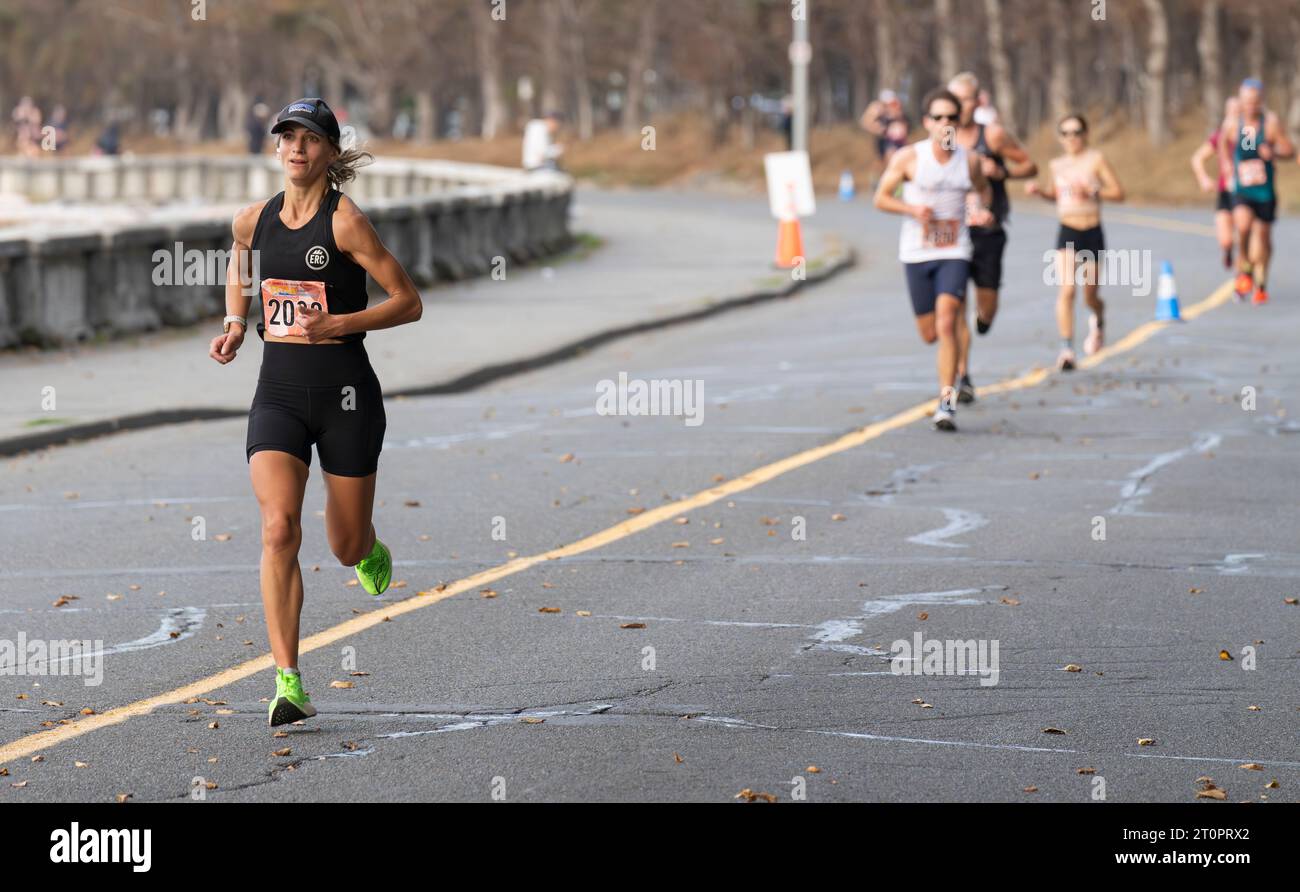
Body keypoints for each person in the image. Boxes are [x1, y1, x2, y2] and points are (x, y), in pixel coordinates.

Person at [208, 98, 423, 726]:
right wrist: (235, 322)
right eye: (287, 138)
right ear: (275, 149)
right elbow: (238, 262)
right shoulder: (253, 221)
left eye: (310, 139)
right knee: (278, 528)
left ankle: (367, 548)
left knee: (343, 544)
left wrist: (343, 323)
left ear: (330, 151)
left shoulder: (347, 223)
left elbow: (408, 302)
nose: (297, 149)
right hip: (277, 395)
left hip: (347, 398)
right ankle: (288, 682)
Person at [875, 88, 995, 432]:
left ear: (959, 123)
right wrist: (911, 208)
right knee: (930, 333)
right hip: (916, 252)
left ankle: (946, 402)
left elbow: (983, 189)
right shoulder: (909, 159)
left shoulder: (968, 160)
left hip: (954, 251)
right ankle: (952, 370)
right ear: (926, 123)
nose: (945, 123)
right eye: (938, 117)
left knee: (947, 322)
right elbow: (881, 198)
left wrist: (980, 210)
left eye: (951, 118)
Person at [946, 71, 1037, 404]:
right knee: (953, 305)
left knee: (986, 308)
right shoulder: (942, 138)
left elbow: (1030, 166)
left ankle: (983, 322)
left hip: (989, 231)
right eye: (953, 100)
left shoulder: (994, 136)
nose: (959, 107)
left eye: (965, 99)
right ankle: (962, 376)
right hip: (954, 232)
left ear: (978, 101)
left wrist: (1003, 173)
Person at [1025, 114, 1124, 371]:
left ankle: (1098, 319)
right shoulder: (1057, 165)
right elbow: (1054, 195)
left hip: (1091, 229)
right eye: (1066, 133)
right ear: (1060, 138)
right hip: (1068, 229)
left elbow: (1118, 193)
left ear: (1085, 133)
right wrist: (1039, 192)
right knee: (1067, 289)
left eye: (1077, 132)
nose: (1072, 138)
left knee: (1090, 294)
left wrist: (1093, 191)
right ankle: (1066, 348)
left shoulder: (1096, 160)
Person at [1219, 78, 1294, 304]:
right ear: (1241, 102)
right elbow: (1222, 142)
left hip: (1265, 192)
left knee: (1262, 237)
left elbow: (1289, 150)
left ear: (1261, 102)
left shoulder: (1269, 124)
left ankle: (1259, 281)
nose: (1250, 106)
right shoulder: (1236, 124)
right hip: (1243, 189)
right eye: (1246, 102)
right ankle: (1245, 270)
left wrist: (1273, 152)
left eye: (1254, 102)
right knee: (1242, 225)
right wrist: (1226, 164)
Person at [1191, 97, 1240, 270]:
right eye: (1232, 111)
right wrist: (1203, 179)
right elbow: (1197, 158)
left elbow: (1253, 156)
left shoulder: (1248, 134)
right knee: (1226, 240)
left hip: (1245, 193)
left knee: (1244, 235)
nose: (1235, 114)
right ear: (1226, 113)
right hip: (1225, 192)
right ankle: (1227, 251)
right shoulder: (1219, 136)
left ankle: (1244, 277)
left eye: (1238, 110)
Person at [861, 90, 910, 173]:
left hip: (898, 141)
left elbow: (904, 124)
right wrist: (879, 129)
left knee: (899, 160)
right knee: (885, 161)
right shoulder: (877, 110)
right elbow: (866, 122)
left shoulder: (897, 110)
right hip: (885, 140)